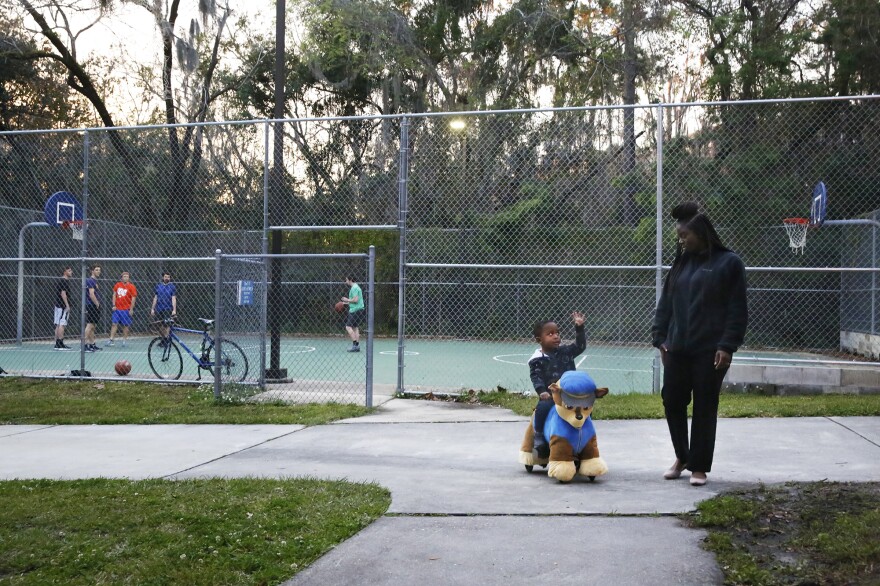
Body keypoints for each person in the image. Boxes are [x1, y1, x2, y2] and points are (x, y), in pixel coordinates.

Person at [651, 201, 748, 487]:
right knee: (672, 401)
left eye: (684, 236)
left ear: (701, 232)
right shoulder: (681, 262)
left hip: (710, 351)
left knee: (705, 406)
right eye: (679, 236)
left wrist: (727, 345)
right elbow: (666, 302)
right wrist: (660, 338)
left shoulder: (729, 263)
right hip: (677, 347)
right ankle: (683, 457)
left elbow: (737, 310)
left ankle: (699, 467)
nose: (681, 240)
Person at [528, 311, 587, 457]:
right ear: (539, 339)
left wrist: (579, 328)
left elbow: (580, 346)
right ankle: (540, 436)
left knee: (585, 406)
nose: (556, 336)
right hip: (551, 397)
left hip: (570, 394)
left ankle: (584, 436)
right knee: (542, 408)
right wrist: (542, 391)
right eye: (550, 334)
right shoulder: (537, 360)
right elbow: (536, 377)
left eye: (557, 333)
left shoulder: (565, 352)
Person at [105, 271, 137, 346]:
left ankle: (124, 341)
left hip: (126, 309)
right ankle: (111, 340)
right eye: (124, 276)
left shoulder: (132, 287)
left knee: (125, 325)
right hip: (117, 309)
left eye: (127, 276)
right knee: (114, 323)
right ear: (121, 278)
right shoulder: (117, 285)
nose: (126, 278)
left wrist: (131, 309)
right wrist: (113, 305)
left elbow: (133, 298)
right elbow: (114, 295)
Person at [341, 276, 365, 352]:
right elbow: (355, 301)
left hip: (355, 310)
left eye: (346, 280)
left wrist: (346, 299)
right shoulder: (356, 287)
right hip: (358, 309)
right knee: (355, 327)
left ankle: (355, 345)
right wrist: (345, 303)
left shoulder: (354, 288)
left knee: (348, 327)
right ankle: (357, 345)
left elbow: (355, 300)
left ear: (350, 280)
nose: (346, 281)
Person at [150, 272, 177, 339]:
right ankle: (163, 338)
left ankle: (166, 339)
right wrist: (152, 309)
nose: (167, 278)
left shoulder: (172, 287)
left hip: (167, 308)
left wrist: (174, 310)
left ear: (170, 278)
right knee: (158, 325)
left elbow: (173, 298)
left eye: (168, 277)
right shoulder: (158, 286)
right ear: (163, 277)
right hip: (159, 308)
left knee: (167, 325)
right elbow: (155, 297)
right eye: (165, 277)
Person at [53, 266, 74, 351]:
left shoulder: (62, 280)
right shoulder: (64, 281)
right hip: (62, 306)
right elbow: (63, 293)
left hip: (58, 305)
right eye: (69, 271)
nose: (71, 272)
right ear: (65, 272)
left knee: (58, 324)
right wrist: (67, 305)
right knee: (62, 324)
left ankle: (57, 343)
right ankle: (60, 343)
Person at [83, 265, 102, 352]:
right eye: (96, 270)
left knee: (93, 326)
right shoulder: (90, 280)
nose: (98, 271)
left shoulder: (95, 281)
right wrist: (97, 303)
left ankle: (92, 344)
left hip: (94, 305)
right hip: (91, 305)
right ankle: (84, 344)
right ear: (92, 271)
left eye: (99, 270)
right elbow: (91, 294)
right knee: (89, 325)